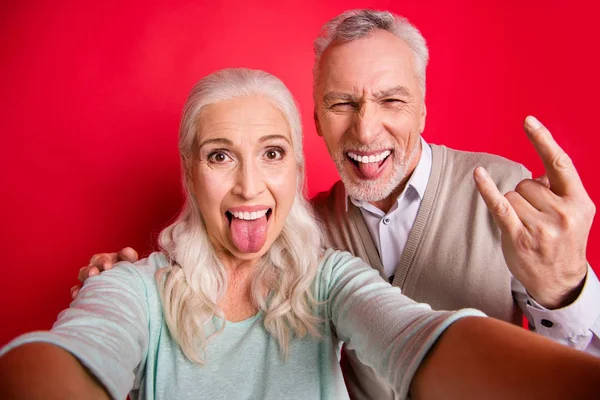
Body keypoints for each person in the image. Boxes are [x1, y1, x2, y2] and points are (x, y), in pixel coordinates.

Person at [74, 10, 600, 400]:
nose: (365, 129)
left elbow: (427, 339)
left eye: (391, 100)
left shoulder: (504, 191)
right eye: (341, 103)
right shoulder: (301, 234)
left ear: (421, 107)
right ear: (318, 121)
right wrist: (124, 285)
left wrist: (565, 289)